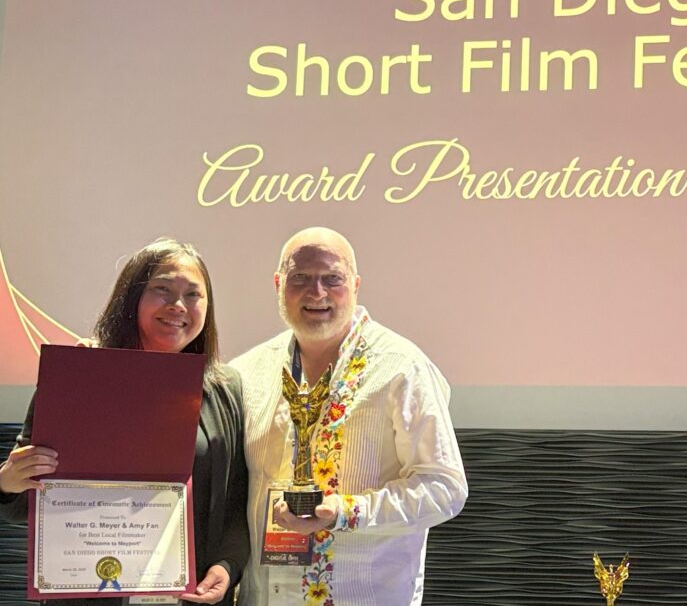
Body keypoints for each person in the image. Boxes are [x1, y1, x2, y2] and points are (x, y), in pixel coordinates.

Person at [0, 238, 249, 605]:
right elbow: (26, 501)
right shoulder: (79, 376)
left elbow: (237, 498)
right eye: (162, 290)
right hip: (88, 593)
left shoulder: (225, 388)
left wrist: (228, 566)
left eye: (193, 294)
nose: (178, 305)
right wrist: (8, 482)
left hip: (188, 596)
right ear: (131, 298)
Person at [231, 226, 467, 606]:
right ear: (277, 284)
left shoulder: (401, 367)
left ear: (356, 285)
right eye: (300, 278)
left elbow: (445, 490)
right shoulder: (247, 372)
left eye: (332, 279)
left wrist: (345, 510)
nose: (317, 292)